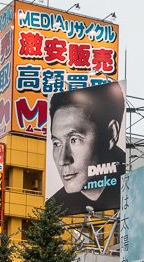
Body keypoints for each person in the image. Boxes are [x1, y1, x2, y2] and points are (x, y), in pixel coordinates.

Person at [47, 83, 126, 215]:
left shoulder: (133, 190)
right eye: (57, 143)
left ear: (112, 134)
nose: (62, 160)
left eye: (74, 140)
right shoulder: (54, 207)